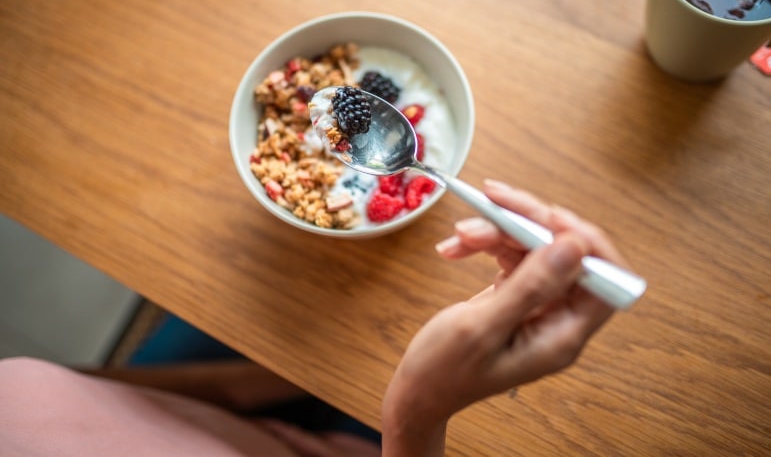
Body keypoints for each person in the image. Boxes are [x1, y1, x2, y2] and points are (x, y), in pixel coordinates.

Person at [0, 180, 625, 456]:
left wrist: (269, 380)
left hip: (231, 411)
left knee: (253, 281)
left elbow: (90, 399)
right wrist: (413, 415)